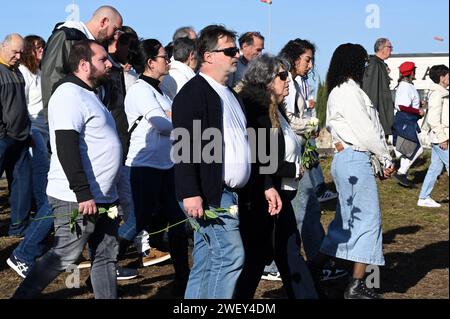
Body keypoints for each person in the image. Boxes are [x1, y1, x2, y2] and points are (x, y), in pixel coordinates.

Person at [13, 40, 122, 299]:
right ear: (84, 65)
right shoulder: (68, 94)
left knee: (106, 255)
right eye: (102, 60)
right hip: (77, 198)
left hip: (105, 196)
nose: (109, 64)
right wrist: (83, 192)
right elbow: (66, 145)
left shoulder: (89, 94)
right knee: (65, 254)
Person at [310, 43, 396, 299]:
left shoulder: (342, 91)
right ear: (354, 63)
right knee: (369, 222)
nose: (366, 67)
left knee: (345, 223)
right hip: (354, 160)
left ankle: (309, 272)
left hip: (348, 160)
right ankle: (357, 285)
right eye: (364, 62)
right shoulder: (348, 92)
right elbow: (367, 131)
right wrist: (385, 157)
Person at [172, 25, 251, 299]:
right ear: (208, 56)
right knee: (230, 255)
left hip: (228, 192)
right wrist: (190, 193)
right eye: (230, 50)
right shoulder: (193, 93)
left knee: (207, 259)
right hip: (209, 193)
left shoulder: (230, 94)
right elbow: (183, 147)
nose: (236, 55)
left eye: (236, 49)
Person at [234, 54, 317, 299]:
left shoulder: (275, 107)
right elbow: (258, 156)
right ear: (266, 80)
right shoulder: (255, 108)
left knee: (283, 252)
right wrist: (293, 169)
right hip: (263, 196)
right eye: (282, 76)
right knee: (260, 257)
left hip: (278, 194)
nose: (288, 80)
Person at [118, 39, 190, 294]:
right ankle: (105, 264)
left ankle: (184, 277)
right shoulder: (140, 90)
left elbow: (169, 123)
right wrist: (179, 123)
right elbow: (162, 125)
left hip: (166, 166)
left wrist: (174, 121)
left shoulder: (159, 91)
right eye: (163, 57)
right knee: (137, 220)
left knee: (178, 220)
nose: (168, 60)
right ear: (150, 63)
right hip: (144, 166)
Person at [7, 35, 53, 278]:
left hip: (46, 130)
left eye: (42, 46)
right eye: (36, 47)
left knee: (42, 179)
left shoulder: (41, 72)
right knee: (41, 180)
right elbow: (21, 105)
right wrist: (29, 131)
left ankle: (40, 230)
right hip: (33, 129)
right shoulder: (23, 72)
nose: (41, 50)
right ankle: (34, 229)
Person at [41, 5, 123, 116]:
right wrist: (57, 117)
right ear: (103, 22)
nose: (116, 36)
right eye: (115, 29)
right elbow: (51, 77)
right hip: (70, 117)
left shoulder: (100, 45)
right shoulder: (67, 37)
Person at [0, 34, 32, 237]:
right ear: (3, 47)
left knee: (22, 184)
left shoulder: (18, 72)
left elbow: (21, 105)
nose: (19, 56)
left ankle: (19, 228)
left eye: (21, 52)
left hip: (21, 137)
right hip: (3, 138)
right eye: (15, 51)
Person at [418, 65, 449, 208]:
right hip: (441, 138)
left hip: (439, 137)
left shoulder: (439, 92)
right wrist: (442, 138)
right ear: (442, 78)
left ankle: (424, 197)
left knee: (435, 168)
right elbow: (434, 120)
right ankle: (424, 197)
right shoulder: (438, 94)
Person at [392, 62, 424, 188]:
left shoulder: (406, 85)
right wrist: (418, 111)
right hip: (406, 120)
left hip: (407, 119)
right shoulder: (405, 86)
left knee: (410, 148)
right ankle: (401, 172)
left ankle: (401, 173)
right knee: (417, 148)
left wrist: (418, 104)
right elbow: (401, 106)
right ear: (411, 73)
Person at [362, 38, 395, 137]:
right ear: (382, 48)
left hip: (382, 111)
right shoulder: (374, 64)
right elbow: (370, 89)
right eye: (390, 47)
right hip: (376, 113)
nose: (391, 50)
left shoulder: (380, 64)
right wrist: (372, 114)